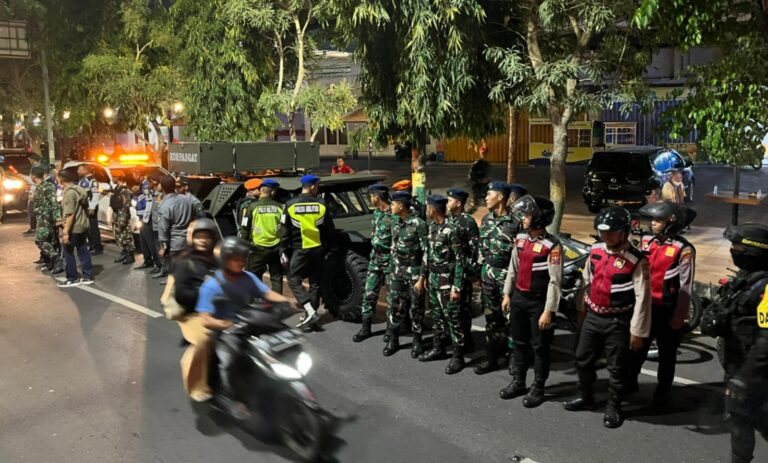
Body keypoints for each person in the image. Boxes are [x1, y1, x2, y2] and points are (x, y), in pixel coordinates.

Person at [564, 206, 651, 429]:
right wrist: (580, 310)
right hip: (593, 316)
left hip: (618, 321)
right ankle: (586, 396)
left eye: (611, 232)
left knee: (617, 367)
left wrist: (637, 331)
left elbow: (643, 298)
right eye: (602, 232)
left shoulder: (636, 260)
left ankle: (614, 407)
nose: (606, 236)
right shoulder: (595, 251)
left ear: (624, 232)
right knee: (582, 358)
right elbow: (586, 281)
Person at [195, 236, 294, 418]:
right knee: (230, 361)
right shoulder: (211, 286)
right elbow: (205, 319)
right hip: (225, 334)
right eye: (236, 258)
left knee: (282, 339)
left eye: (243, 257)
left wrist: (286, 302)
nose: (241, 261)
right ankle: (233, 397)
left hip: (248, 323)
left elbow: (267, 293)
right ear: (225, 259)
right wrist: (224, 323)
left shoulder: (247, 277)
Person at [699, 223, 768, 463]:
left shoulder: (765, 286)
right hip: (737, 365)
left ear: (755, 250)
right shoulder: (745, 277)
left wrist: (744, 379)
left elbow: (766, 341)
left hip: (756, 374)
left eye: (737, 247)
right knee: (737, 419)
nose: (733, 251)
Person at [627, 201, 696, 405]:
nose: (653, 224)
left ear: (672, 222)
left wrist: (679, 316)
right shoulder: (646, 241)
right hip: (644, 307)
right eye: (653, 220)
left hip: (667, 309)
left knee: (667, 355)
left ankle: (663, 393)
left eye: (658, 220)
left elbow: (686, 286)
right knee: (636, 349)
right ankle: (630, 384)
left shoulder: (683, 249)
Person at [500, 195, 562, 407]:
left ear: (539, 217)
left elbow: (555, 281)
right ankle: (518, 382)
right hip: (519, 298)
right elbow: (513, 269)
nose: (523, 219)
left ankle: (538, 388)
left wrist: (549, 310)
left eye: (527, 215)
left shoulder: (552, 245)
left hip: (539, 303)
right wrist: (507, 294)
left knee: (540, 347)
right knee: (519, 342)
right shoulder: (520, 239)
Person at [474, 182, 522, 375]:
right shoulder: (487, 219)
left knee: (511, 320)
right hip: (488, 276)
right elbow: (482, 247)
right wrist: (481, 271)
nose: (486, 198)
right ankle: (492, 357)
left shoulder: (516, 222)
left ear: (501, 197)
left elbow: (521, 255)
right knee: (491, 319)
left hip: (507, 278)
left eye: (489, 194)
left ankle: (513, 358)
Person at [417, 195, 466, 374]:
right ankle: (439, 348)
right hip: (433, 280)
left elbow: (460, 260)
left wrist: (456, 287)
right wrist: (423, 277)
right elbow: (427, 255)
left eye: (428, 207)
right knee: (437, 317)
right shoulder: (432, 228)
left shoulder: (451, 230)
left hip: (447, 282)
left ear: (433, 209)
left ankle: (458, 357)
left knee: (453, 319)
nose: (426, 210)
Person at [279, 175, 335, 328]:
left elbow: (284, 230)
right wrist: (332, 247)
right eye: (317, 186)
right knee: (315, 282)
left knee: (293, 278)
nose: (317, 189)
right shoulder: (321, 204)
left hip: (300, 249)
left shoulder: (290, 204)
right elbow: (329, 228)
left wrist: (282, 250)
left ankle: (309, 310)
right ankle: (312, 316)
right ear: (312, 186)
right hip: (318, 249)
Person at [174, 219, 219, 402]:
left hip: (220, 309)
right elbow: (181, 294)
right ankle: (197, 384)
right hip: (193, 313)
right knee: (204, 339)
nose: (203, 241)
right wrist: (205, 292)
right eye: (199, 237)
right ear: (193, 238)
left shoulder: (218, 260)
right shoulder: (185, 262)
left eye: (207, 237)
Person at [383, 191, 428, 357]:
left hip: (414, 272)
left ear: (401, 205)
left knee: (416, 308)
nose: (391, 206)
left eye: (393, 204)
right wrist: (391, 272)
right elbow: (393, 248)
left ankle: (417, 340)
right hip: (397, 272)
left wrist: (422, 278)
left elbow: (426, 252)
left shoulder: (419, 224)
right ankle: (393, 339)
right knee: (395, 306)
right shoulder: (395, 223)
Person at [353, 184, 393, 343]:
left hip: (390, 260)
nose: (370, 199)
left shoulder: (394, 215)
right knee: (369, 294)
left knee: (393, 297)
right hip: (375, 259)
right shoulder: (376, 213)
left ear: (377, 197)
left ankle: (391, 330)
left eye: (371, 196)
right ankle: (366, 328)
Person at [446, 188, 480, 351]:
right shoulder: (448, 219)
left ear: (458, 203)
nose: (447, 203)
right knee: (450, 308)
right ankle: (452, 337)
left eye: (450, 200)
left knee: (463, 309)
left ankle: (467, 341)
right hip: (448, 271)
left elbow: (474, 248)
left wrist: (470, 271)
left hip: (462, 272)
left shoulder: (468, 221)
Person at [57, 169, 94, 288]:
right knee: (83, 250)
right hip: (83, 225)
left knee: (68, 253)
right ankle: (87, 276)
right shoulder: (80, 189)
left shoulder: (69, 193)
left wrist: (65, 232)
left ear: (61, 179)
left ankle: (72, 278)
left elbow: (70, 214)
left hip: (73, 227)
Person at [248, 179, 284, 293]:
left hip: (258, 247)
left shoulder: (252, 206)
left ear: (261, 190)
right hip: (276, 247)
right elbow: (284, 227)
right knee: (276, 276)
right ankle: (277, 300)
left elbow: (244, 227)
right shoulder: (280, 207)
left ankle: (256, 298)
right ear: (272, 191)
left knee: (253, 275)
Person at [157, 175, 193, 282]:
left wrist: (163, 247)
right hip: (188, 239)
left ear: (162, 187)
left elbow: (163, 228)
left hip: (175, 243)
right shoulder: (186, 199)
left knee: (176, 273)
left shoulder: (164, 205)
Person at [30, 166, 63, 273]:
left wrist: (58, 218)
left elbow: (54, 203)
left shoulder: (47, 186)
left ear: (33, 176)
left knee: (40, 240)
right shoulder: (39, 187)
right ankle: (51, 262)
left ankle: (57, 259)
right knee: (50, 240)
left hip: (46, 218)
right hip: (41, 217)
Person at [135, 176, 162, 271]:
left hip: (148, 219)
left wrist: (146, 218)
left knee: (152, 243)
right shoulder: (146, 188)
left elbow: (151, 205)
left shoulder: (150, 189)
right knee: (143, 242)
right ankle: (147, 260)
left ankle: (157, 264)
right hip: (143, 218)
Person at [77, 163, 103, 255]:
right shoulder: (82, 181)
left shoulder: (92, 181)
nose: (78, 171)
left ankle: (97, 247)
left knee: (93, 227)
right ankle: (91, 244)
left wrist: (92, 207)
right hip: (84, 207)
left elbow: (95, 195)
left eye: (80, 169)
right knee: (87, 228)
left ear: (86, 170)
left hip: (91, 207)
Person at [111, 176, 136, 265]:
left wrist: (123, 218)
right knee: (119, 235)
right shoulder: (117, 188)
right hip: (117, 214)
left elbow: (126, 205)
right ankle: (124, 252)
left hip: (122, 215)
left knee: (126, 235)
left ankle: (130, 255)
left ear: (118, 178)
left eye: (114, 177)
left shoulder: (125, 190)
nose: (112, 179)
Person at [467, 146, 490, 212]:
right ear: (480, 153)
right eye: (483, 153)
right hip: (477, 186)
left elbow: (486, 173)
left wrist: (487, 179)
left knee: (487, 202)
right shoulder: (477, 164)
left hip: (485, 186)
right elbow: (470, 175)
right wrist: (479, 180)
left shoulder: (486, 164)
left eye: (485, 153)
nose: (484, 155)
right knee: (475, 204)